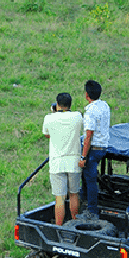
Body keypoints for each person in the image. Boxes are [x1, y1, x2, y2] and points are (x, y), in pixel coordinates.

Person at [42, 92, 84, 225]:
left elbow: (47, 135)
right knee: (73, 194)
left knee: (59, 198)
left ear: (57, 104)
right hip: (74, 162)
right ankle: (74, 223)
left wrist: (54, 113)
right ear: (70, 104)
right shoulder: (77, 116)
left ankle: (59, 226)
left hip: (57, 163)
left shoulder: (49, 118)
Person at [77, 80, 110, 220]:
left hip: (93, 149)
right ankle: (86, 203)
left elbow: (88, 135)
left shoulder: (90, 111)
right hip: (103, 146)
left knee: (90, 180)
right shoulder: (105, 105)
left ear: (86, 95)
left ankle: (92, 210)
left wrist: (83, 157)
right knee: (88, 177)